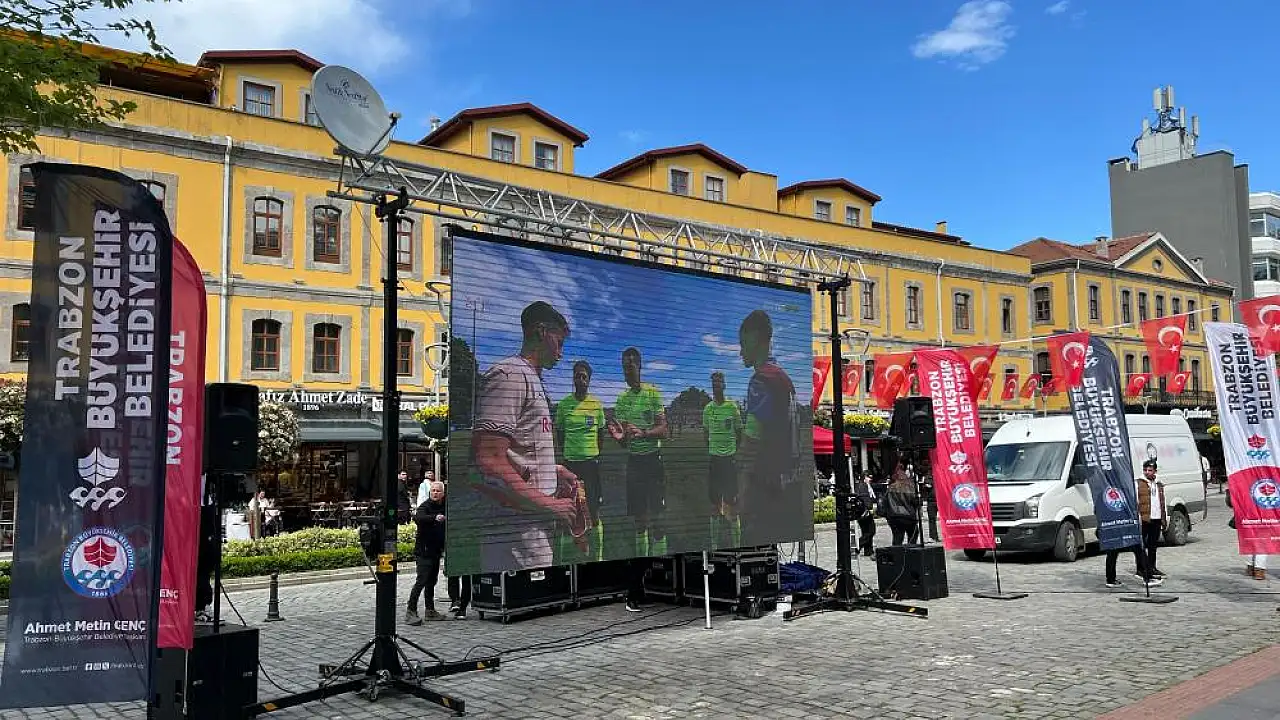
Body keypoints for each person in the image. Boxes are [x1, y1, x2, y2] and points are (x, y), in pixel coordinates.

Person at [471, 301, 582, 572]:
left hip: (533, 524)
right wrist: (550, 505)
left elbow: (520, 451)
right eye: (559, 342)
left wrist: (553, 470)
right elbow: (489, 459)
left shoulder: (532, 378)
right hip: (516, 530)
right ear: (541, 331)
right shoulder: (509, 375)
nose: (561, 353)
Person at [736, 310, 803, 544]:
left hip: (766, 486)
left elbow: (750, 443)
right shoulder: (784, 378)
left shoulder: (761, 380)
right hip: (788, 483)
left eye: (743, 344)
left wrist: (741, 492)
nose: (741, 351)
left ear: (756, 340)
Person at [608, 347, 668, 558]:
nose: (627, 371)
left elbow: (664, 429)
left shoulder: (652, 393)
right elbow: (625, 442)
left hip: (653, 461)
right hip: (634, 463)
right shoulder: (622, 400)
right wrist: (620, 438)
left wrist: (644, 433)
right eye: (624, 367)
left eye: (631, 366)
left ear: (640, 366)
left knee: (658, 517)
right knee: (639, 519)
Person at [554, 360, 607, 562]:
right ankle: (564, 560)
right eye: (577, 375)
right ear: (573, 378)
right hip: (570, 466)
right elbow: (560, 434)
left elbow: (601, 434)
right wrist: (570, 453)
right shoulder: (564, 405)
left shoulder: (596, 405)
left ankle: (598, 558)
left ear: (589, 380)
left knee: (594, 513)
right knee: (568, 514)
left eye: (584, 376)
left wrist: (592, 453)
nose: (581, 379)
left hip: (591, 466)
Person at [703, 371, 743, 548]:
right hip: (715, 462)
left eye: (719, 382)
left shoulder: (732, 407)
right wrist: (715, 451)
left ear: (724, 385)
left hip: (729, 462)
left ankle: (737, 546)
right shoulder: (708, 409)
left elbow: (739, 433)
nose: (716, 385)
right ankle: (714, 547)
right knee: (714, 506)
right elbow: (706, 435)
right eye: (714, 383)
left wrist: (731, 451)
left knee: (732, 506)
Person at [406, 481, 447, 624]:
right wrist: (434, 518)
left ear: (443, 493)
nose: (435, 493)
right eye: (433, 491)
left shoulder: (445, 506)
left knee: (431, 581)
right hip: (423, 551)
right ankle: (411, 611)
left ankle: (430, 610)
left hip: (435, 550)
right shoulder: (425, 506)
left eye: (438, 491)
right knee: (421, 580)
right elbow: (418, 518)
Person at [1135, 459, 1168, 580]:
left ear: (1155, 471)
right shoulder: (1139, 483)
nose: (1147, 472)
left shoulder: (1158, 484)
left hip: (1156, 517)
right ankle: (1141, 568)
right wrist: (1137, 516)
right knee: (1141, 545)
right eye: (1145, 470)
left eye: (1150, 470)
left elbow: (1162, 501)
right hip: (1144, 518)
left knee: (1153, 545)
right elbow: (1136, 501)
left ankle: (1152, 567)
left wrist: (1164, 517)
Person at [884, 462, 921, 546]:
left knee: (897, 538)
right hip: (908, 516)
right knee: (913, 535)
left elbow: (885, 502)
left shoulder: (891, 488)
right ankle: (910, 551)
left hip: (894, 516)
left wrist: (887, 515)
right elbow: (915, 502)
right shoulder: (909, 487)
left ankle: (897, 552)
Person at [854, 472, 878, 557]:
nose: (870, 479)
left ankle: (868, 551)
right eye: (869, 477)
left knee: (866, 531)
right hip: (865, 512)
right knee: (871, 531)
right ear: (864, 477)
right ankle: (857, 546)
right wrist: (870, 507)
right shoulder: (863, 486)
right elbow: (865, 498)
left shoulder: (864, 485)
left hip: (862, 512)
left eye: (871, 477)